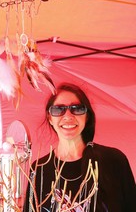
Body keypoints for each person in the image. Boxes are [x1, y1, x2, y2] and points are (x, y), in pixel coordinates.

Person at [23, 82, 135, 212]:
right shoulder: (39, 169)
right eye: (58, 109)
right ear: (49, 117)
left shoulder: (114, 160)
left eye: (77, 108)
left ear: (87, 116)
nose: (68, 116)